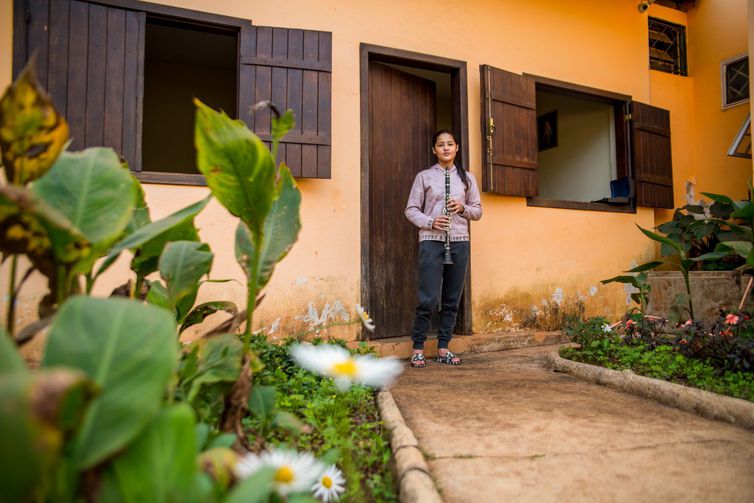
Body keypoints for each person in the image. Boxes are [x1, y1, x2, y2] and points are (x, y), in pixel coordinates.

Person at [404, 130, 482, 368]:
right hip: (431, 240)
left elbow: (477, 211)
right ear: (434, 150)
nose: (446, 148)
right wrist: (431, 221)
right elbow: (411, 209)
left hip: (459, 241)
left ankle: (443, 348)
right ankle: (417, 348)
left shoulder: (467, 178)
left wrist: (462, 208)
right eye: (440, 145)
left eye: (450, 144)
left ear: (457, 147)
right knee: (428, 297)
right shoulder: (424, 177)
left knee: (451, 298)